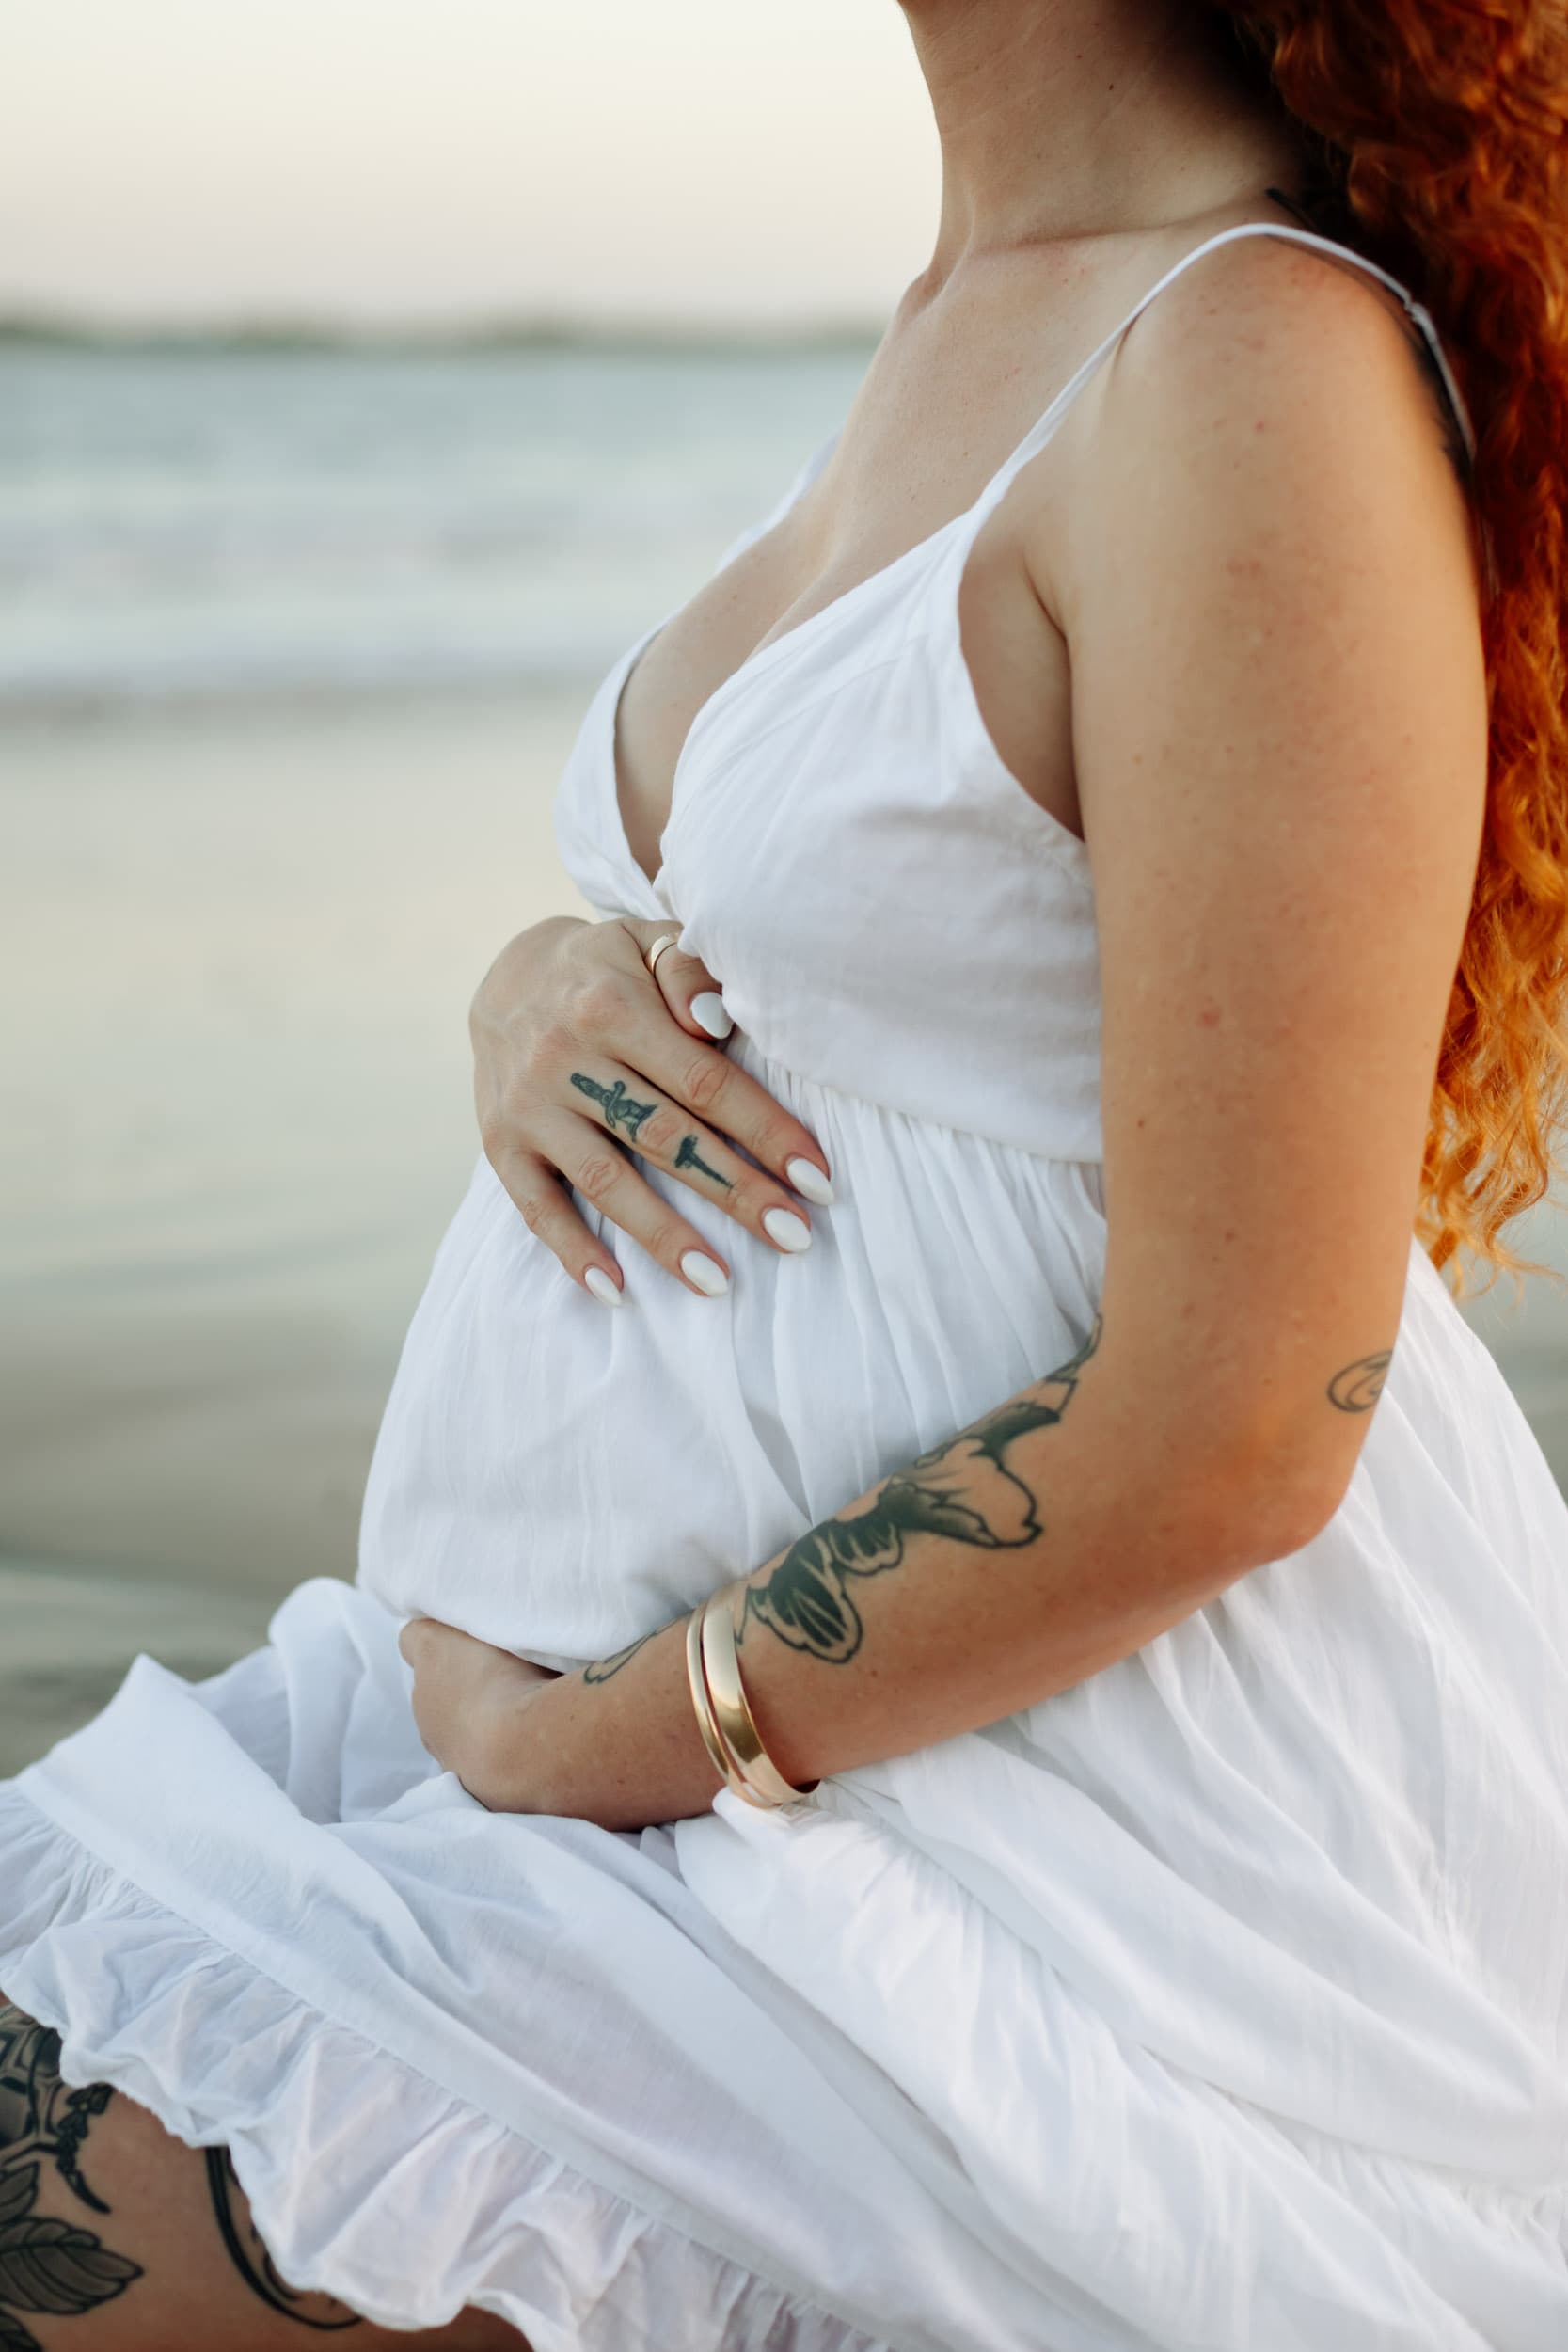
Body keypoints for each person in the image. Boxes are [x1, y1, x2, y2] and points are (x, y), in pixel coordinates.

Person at [3, 2, 1566, 2345]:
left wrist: (595, 1735)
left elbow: (1248, 1417)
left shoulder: (1252, 354)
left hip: (1037, 1839)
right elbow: (876, 955)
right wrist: (537, 981)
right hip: (686, 1762)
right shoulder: (976, 310)